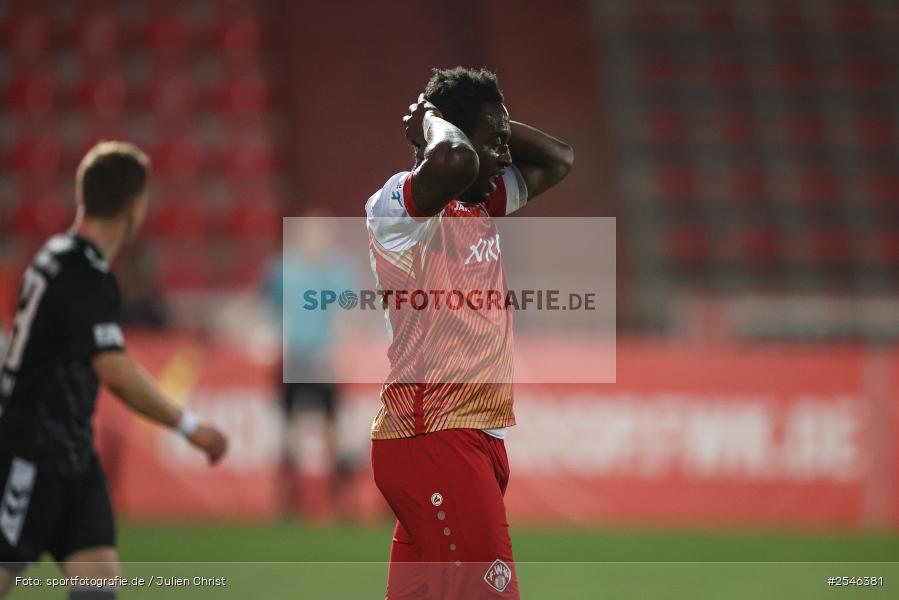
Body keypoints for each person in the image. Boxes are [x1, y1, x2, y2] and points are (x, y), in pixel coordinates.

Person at [365, 67, 573, 598]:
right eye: (495, 145)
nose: (505, 158)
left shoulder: (479, 203)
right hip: (434, 435)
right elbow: (454, 160)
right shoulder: (399, 210)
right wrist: (437, 120)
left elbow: (559, 158)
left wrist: (494, 126)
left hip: (468, 437)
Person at [0, 141, 228, 599]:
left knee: (98, 582)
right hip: (31, 453)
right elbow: (115, 370)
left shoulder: (56, 257)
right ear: (134, 205)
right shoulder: (82, 272)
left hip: (73, 453)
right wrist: (188, 425)